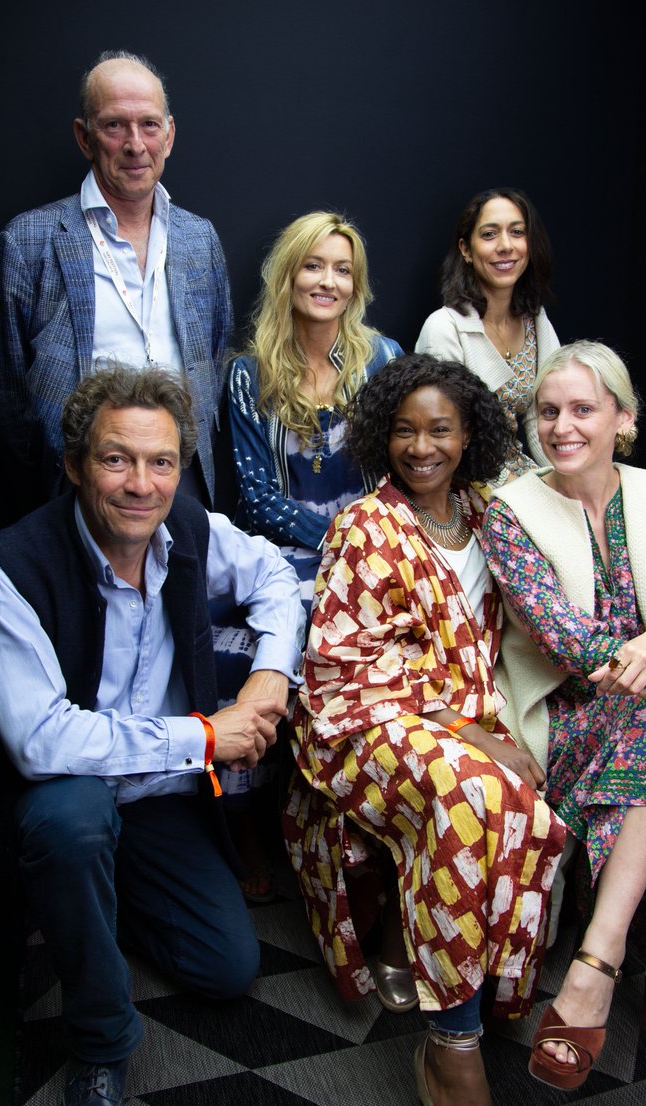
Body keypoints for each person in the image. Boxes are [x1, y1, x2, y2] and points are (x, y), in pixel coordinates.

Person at [0, 364, 305, 1106]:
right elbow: (41, 741)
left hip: (155, 803)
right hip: (68, 797)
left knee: (227, 969)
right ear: (77, 463)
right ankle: (99, 1048)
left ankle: (84, 901)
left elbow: (275, 580)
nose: (141, 484)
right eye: (117, 459)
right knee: (71, 826)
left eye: (162, 463)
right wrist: (203, 736)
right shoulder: (6, 566)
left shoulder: (186, 526)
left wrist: (269, 679)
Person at [285, 354, 566, 1106]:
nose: (420, 446)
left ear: (470, 432)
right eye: (403, 429)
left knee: (514, 792)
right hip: (363, 726)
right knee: (476, 794)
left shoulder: (488, 514)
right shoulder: (363, 528)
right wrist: (462, 730)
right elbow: (335, 670)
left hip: (463, 723)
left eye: (440, 428)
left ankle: (460, 988)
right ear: (380, 435)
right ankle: (454, 1056)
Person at [482, 340, 646, 1106]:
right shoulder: (510, 511)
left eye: (583, 410)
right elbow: (568, 641)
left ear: (622, 419)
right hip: (563, 721)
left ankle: (600, 963)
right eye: (549, 411)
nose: (562, 426)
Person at [218, 212, 401, 899]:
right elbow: (258, 500)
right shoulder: (248, 373)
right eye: (313, 265)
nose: (327, 280)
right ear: (288, 274)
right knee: (266, 649)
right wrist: (338, 536)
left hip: (372, 553)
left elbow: (402, 471)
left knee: (378, 656)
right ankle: (254, 830)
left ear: (356, 286)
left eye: (342, 269)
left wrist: (362, 540)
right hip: (281, 558)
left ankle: (354, 834)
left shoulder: (382, 360)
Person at [0, 49, 232, 506]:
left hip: (181, 479)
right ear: (84, 137)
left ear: (170, 135)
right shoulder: (29, 241)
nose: (135, 144)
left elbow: (214, 356)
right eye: (115, 125)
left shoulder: (200, 239)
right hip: (76, 484)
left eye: (149, 125)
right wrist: (54, 468)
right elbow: (9, 396)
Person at [415, 187, 558, 481]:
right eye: (490, 234)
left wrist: (561, 480)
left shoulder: (536, 318)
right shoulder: (444, 327)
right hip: (462, 484)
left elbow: (541, 415)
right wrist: (510, 493)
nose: (506, 246)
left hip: (520, 476)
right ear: (466, 250)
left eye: (517, 232)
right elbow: (441, 438)